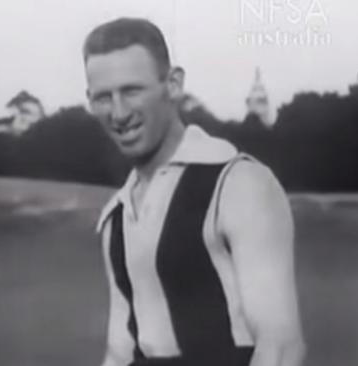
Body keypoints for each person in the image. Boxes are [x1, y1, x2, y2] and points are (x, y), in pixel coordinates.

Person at [83, 18, 305, 366]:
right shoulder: (117, 214)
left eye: (131, 90)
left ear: (172, 84)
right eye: (103, 97)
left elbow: (280, 348)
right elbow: (119, 351)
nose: (119, 113)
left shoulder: (237, 183)